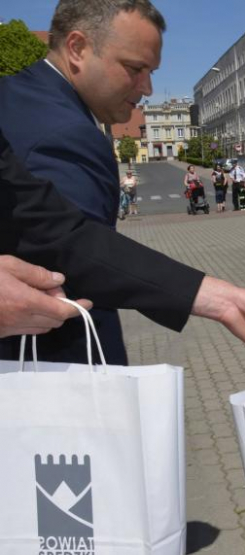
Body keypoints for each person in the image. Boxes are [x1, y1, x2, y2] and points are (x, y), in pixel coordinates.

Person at [0, 128, 245, 357]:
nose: (146, 87)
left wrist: (223, 300)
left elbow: (54, 231)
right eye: (135, 68)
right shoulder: (26, 107)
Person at [0, 0, 166, 365]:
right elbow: (80, 261)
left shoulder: (17, 97)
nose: (148, 87)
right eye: (135, 68)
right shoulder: (63, 131)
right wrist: (212, 297)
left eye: (151, 71)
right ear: (77, 48)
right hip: (53, 379)